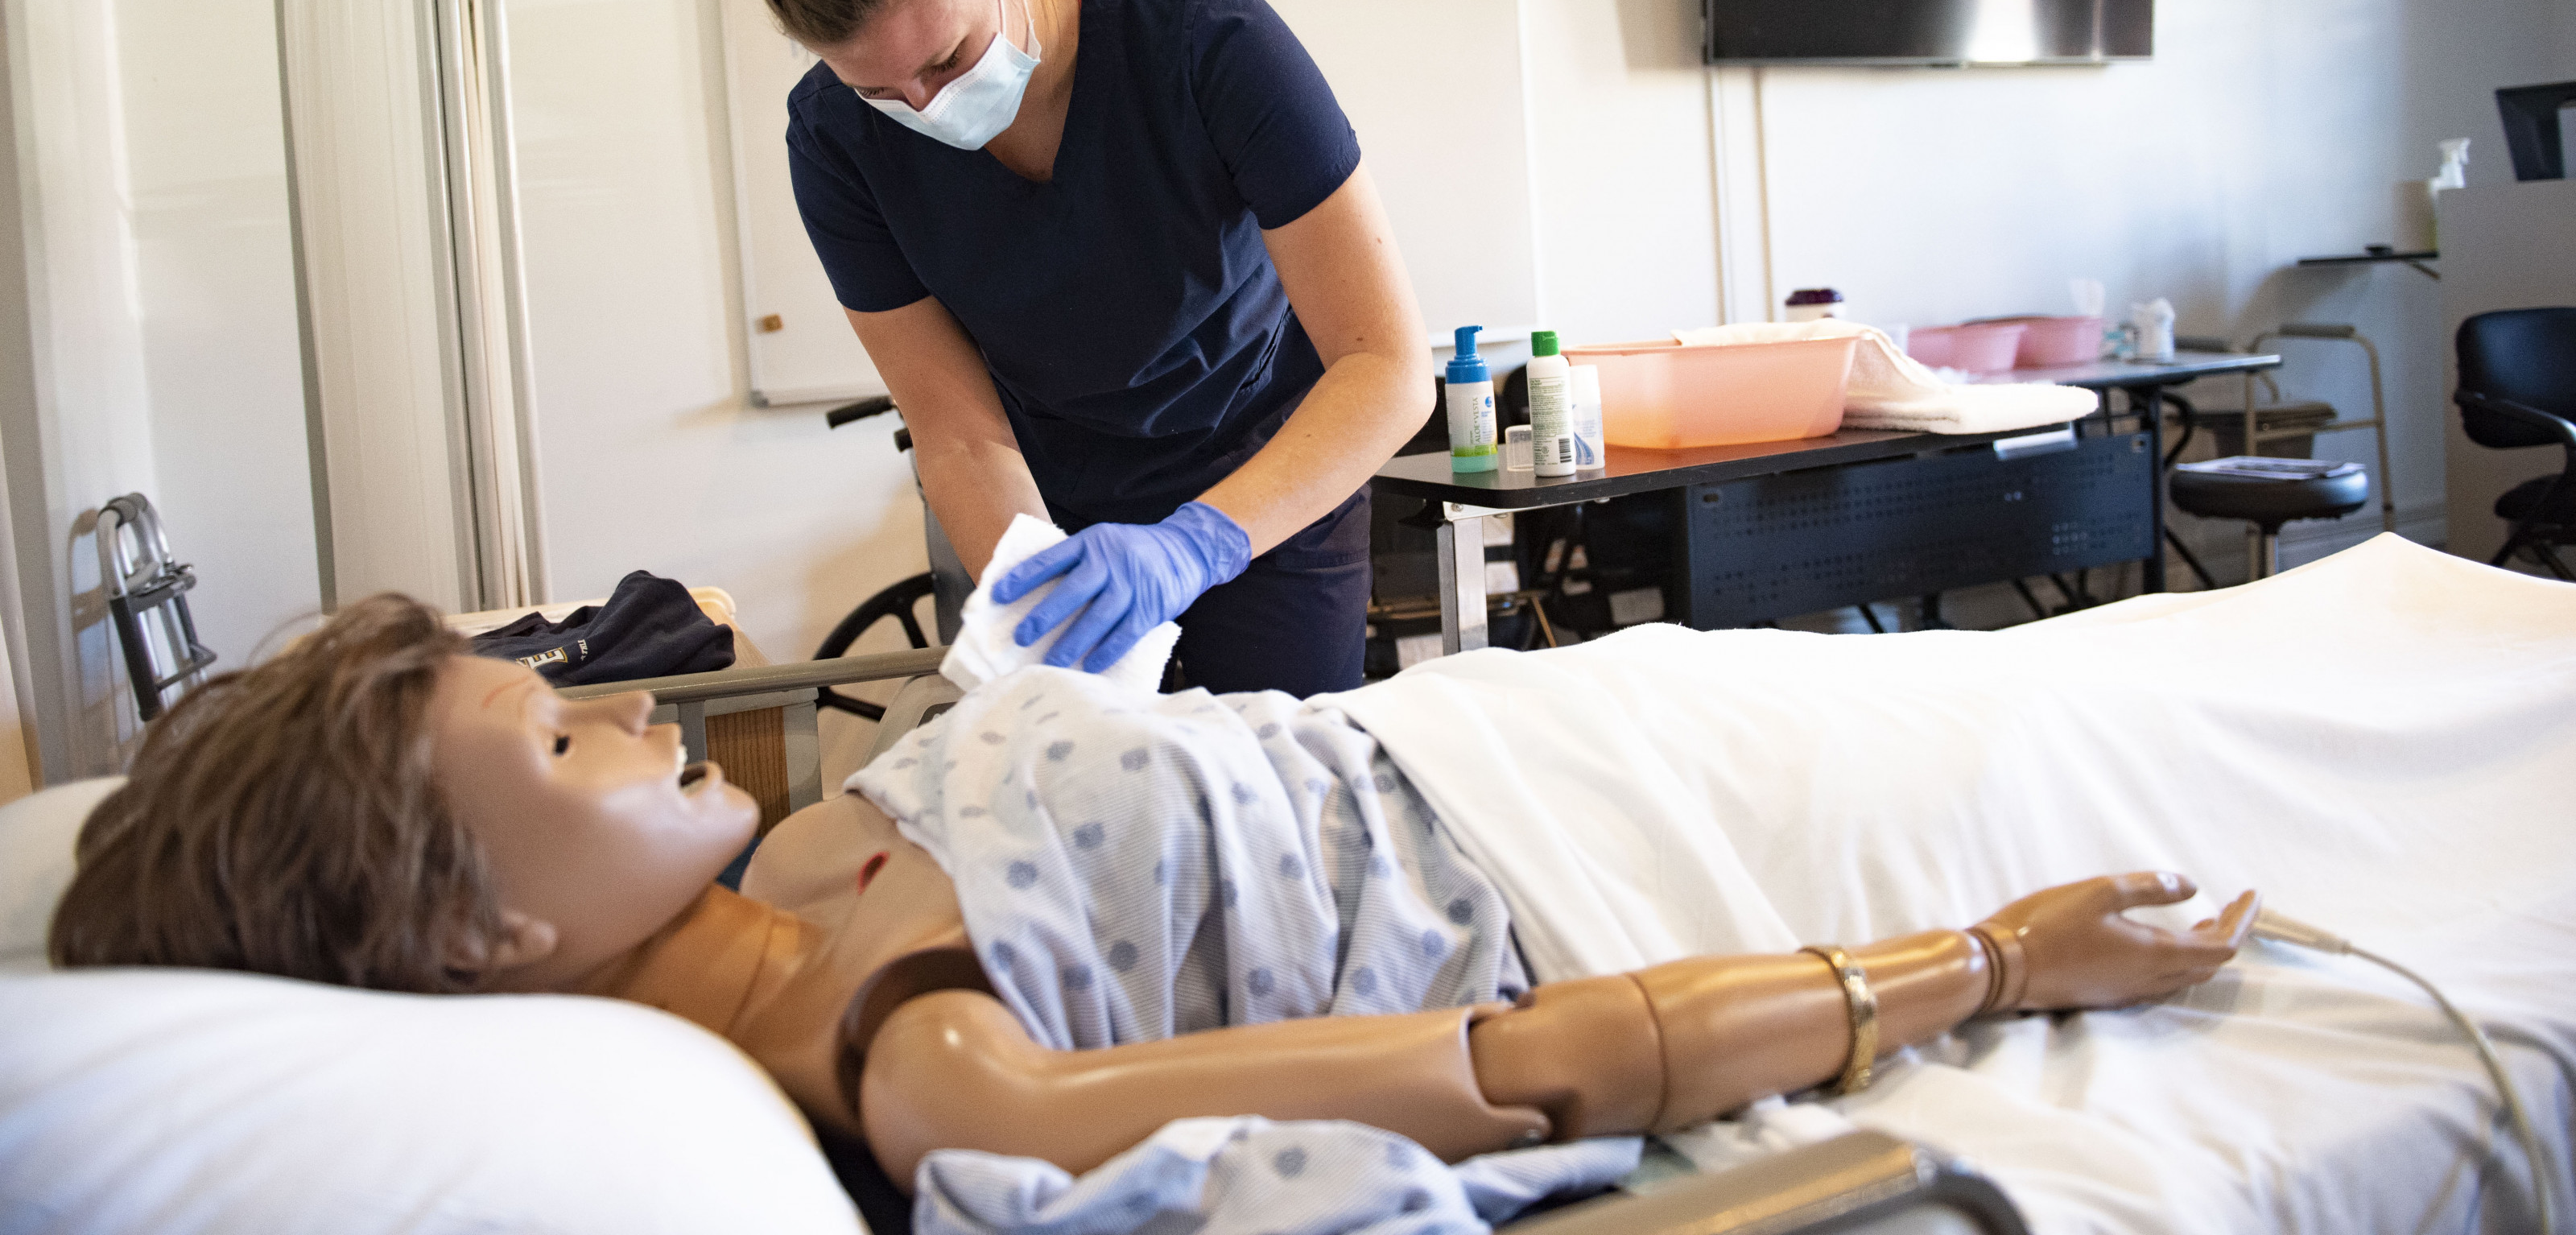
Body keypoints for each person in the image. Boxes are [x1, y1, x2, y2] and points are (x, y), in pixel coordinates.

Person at [51, 595, 2255, 1188]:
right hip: (1603, 848)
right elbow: (1543, 1063)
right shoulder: (933, 1075)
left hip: (1527, 720)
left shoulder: (808, 851)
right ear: (477, 940)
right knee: (2221, 719)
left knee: (2147, 665)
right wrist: (1993, 961)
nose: (623, 710)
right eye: (553, 741)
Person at [745, 0, 1429, 695]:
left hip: (1265, 470)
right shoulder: (836, 140)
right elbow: (955, 431)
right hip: (1042, 493)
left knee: (1271, 785)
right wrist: (1043, 608)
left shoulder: (1204, 37)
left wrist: (1199, 542)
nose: (923, 107)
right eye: (880, 91)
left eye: (948, 58)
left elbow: (1385, 365)